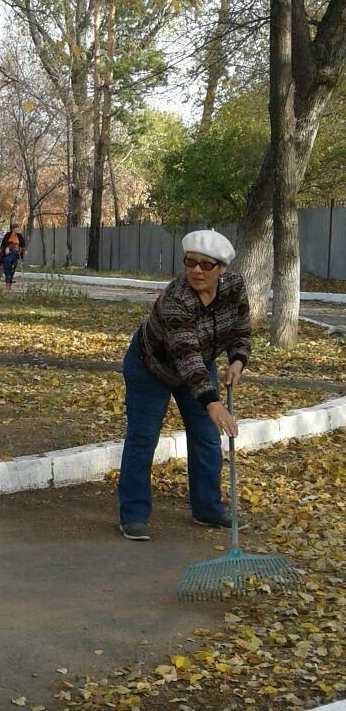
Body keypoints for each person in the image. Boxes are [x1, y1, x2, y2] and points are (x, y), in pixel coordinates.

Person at [117, 229, 251, 541]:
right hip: (151, 367)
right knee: (143, 438)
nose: (196, 271)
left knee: (206, 437)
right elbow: (186, 357)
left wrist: (237, 361)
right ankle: (133, 514)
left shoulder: (234, 287)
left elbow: (241, 330)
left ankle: (207, 509)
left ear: (221, 269)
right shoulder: (177, 300)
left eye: (206, 265)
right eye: (190, 263)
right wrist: (213, 403)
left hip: (199, 367)